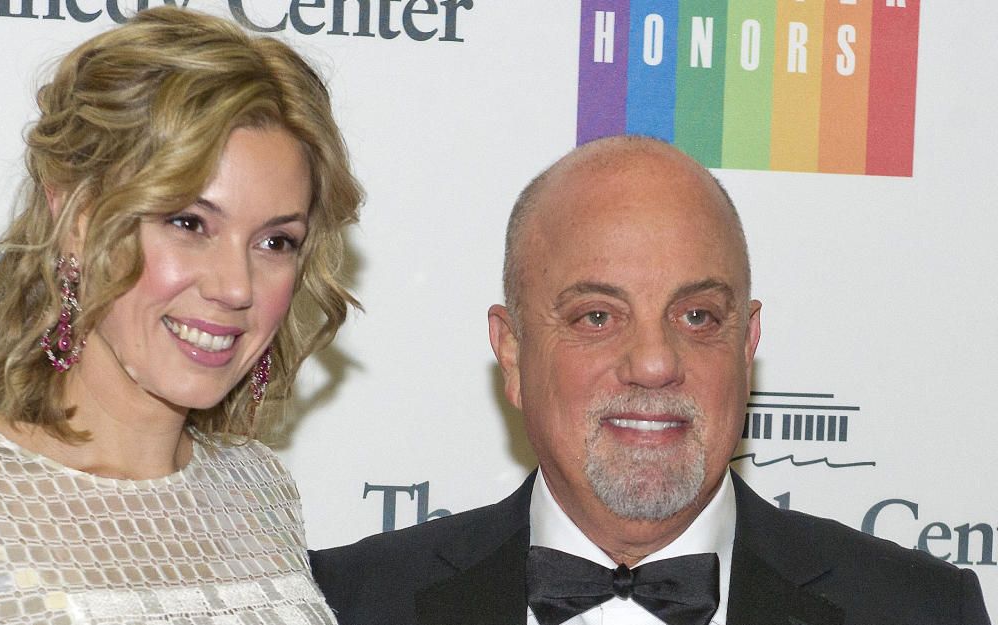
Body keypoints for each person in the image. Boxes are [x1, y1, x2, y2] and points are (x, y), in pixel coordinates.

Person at [0, 7, 361, 625]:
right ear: (77, 219)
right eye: (188, 223)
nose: (235, 286)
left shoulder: (258, 492)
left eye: (275, 242)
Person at [310, 135, 990, 625]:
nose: (656, 363)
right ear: (513, 353)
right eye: (597, 316)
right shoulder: (345, 604)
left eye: (698, 316)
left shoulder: (921, 610)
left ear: (747, 343)